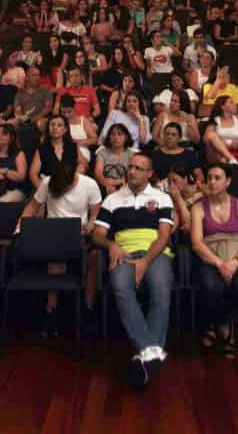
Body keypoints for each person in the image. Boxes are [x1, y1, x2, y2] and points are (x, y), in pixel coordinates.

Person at [94, 151, 176, 390]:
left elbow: (164, 235)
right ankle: (150, 351)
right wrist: (111, 245)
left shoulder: (162, 198)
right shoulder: (113, 200)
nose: (132, 171)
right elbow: (97, 235)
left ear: (149, 174)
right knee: (120, 288)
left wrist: (145, 261)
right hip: (124, 252)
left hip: (155, 252)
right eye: (130, 167)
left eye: (139, 168)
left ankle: (146, 353)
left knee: (161, 290)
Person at [189, 163, 238, 356]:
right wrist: (219, 263)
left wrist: (235, 262)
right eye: (209, 178)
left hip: (236, 255)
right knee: (212, 287)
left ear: (228, 181)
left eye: (217, 178)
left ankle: (224, 321)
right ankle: (218, 324)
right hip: (210, 257)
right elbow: (196, 242)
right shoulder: (198, 207)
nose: (211, 182)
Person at [23, 159, 103, 330]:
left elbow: (97, 214)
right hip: (53, 233)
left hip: (79, 233)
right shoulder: (47, 183)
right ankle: (51, 309)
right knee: (56, 260)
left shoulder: (89, 184)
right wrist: (20, 228)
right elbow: (31, 207)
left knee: (95, 258)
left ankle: (87, 308)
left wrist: (89, 228)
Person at [95, 122, 136, 195]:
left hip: (125, 185)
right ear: (109, 137)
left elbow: (132, 174)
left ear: (126, 137)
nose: (116, 137)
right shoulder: (102, 153)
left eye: (119, 134)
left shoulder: (132, 155)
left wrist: (115, 183)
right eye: (113, 134)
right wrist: (107, 184)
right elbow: (98, 174)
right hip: (104, 185)